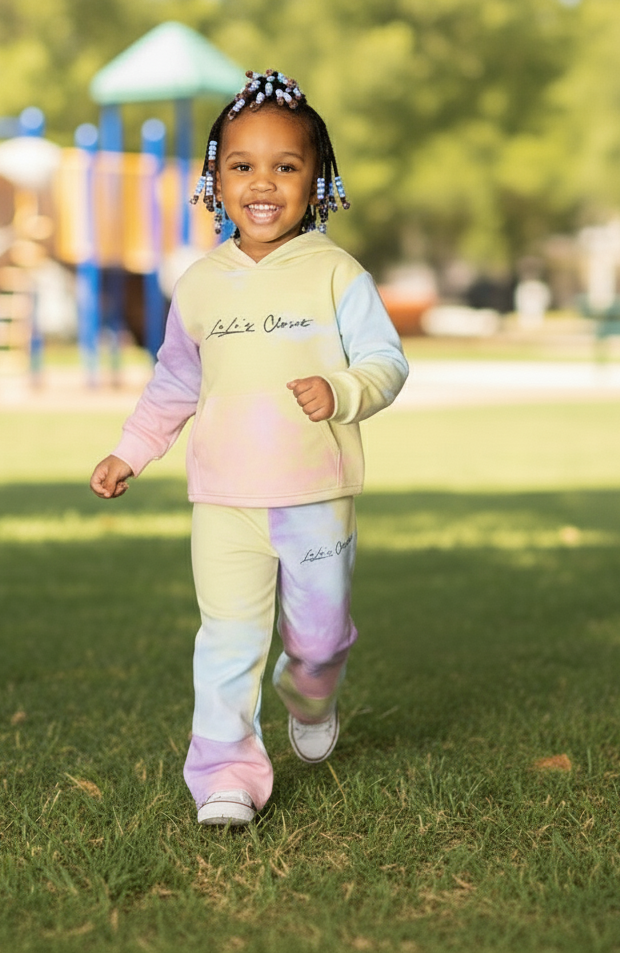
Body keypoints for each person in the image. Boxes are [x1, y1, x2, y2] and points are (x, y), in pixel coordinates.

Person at [89, 70, 409, 826]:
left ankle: (311, 689)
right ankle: (226, 773)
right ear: (214, 179)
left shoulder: (336, 273)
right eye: (242, 165)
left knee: (319, 636)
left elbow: (387, 361)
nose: (262, 183)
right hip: (224, 500)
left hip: (314, 499)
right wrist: (129, 452)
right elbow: (173, 383)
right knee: (228, 640)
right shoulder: (200, 285)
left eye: (286, 166)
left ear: (317, 180)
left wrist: (344, 389)